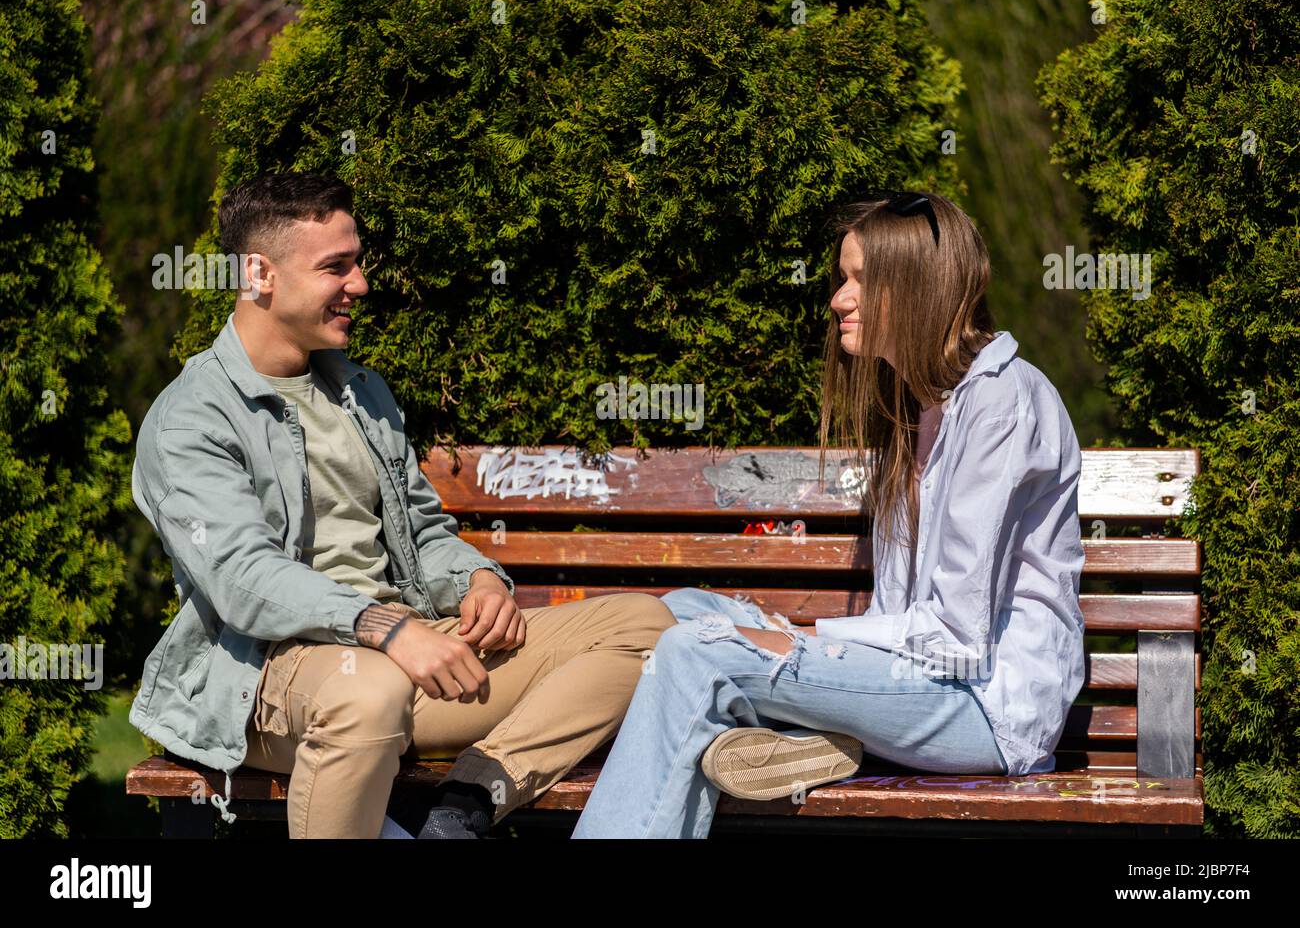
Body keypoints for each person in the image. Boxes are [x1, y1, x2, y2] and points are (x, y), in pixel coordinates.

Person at [129, 172, 676, 839]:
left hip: (404, 655)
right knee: (368, 694)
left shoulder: (360, 392)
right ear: (260, 275)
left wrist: (476, 579)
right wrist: (382, 628)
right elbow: (243, 580)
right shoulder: (191, 418)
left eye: (357, 264)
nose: (358, 284)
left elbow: (421, 529)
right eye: (335, 267)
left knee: (645, 628)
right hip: (267, 676)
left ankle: (463, 809)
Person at [572, 191, 1087, 838]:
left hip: (985, 707)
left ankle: (783, 730)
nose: (839, 300)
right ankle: (801, 735)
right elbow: (901, 617)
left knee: (695, 656)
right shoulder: (924, 407)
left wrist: (806, 644)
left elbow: (957, 638)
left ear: (919, 285)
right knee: (683, 613)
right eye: (843, 279)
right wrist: (801, 646)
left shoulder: (1002, 402)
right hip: (920, 683)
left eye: (861, 282)